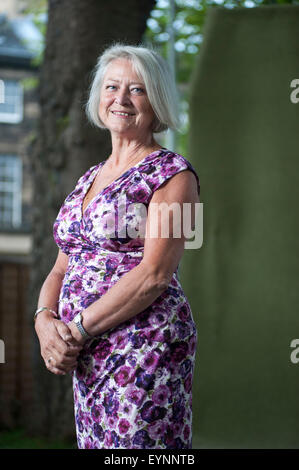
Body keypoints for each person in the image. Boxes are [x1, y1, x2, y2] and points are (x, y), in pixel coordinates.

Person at [34, 42, 200, 449]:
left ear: (156, 100)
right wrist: (43, 322)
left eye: (137, 89)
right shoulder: (88, 178)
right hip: (85, 352)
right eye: (111, 87)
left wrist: (76, 330)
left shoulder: (175, 175)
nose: (121, 99)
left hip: (143, 344)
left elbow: (156, 275)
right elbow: (61, 267)